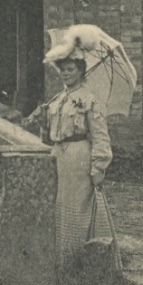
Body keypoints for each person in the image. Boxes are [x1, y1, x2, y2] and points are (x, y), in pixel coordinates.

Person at [24, 56, 114, 260]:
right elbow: (49, 137)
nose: (66, 73)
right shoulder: (56, 100)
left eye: (70, 69)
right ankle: (58, 256)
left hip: (78, 155)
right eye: (63, 70)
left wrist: (99, 167)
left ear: (81, 71)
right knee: (58, 204)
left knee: (77, 206)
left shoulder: (90, 99)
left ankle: (77, 256)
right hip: (57, 154)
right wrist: (43, 123)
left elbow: (100, 135)